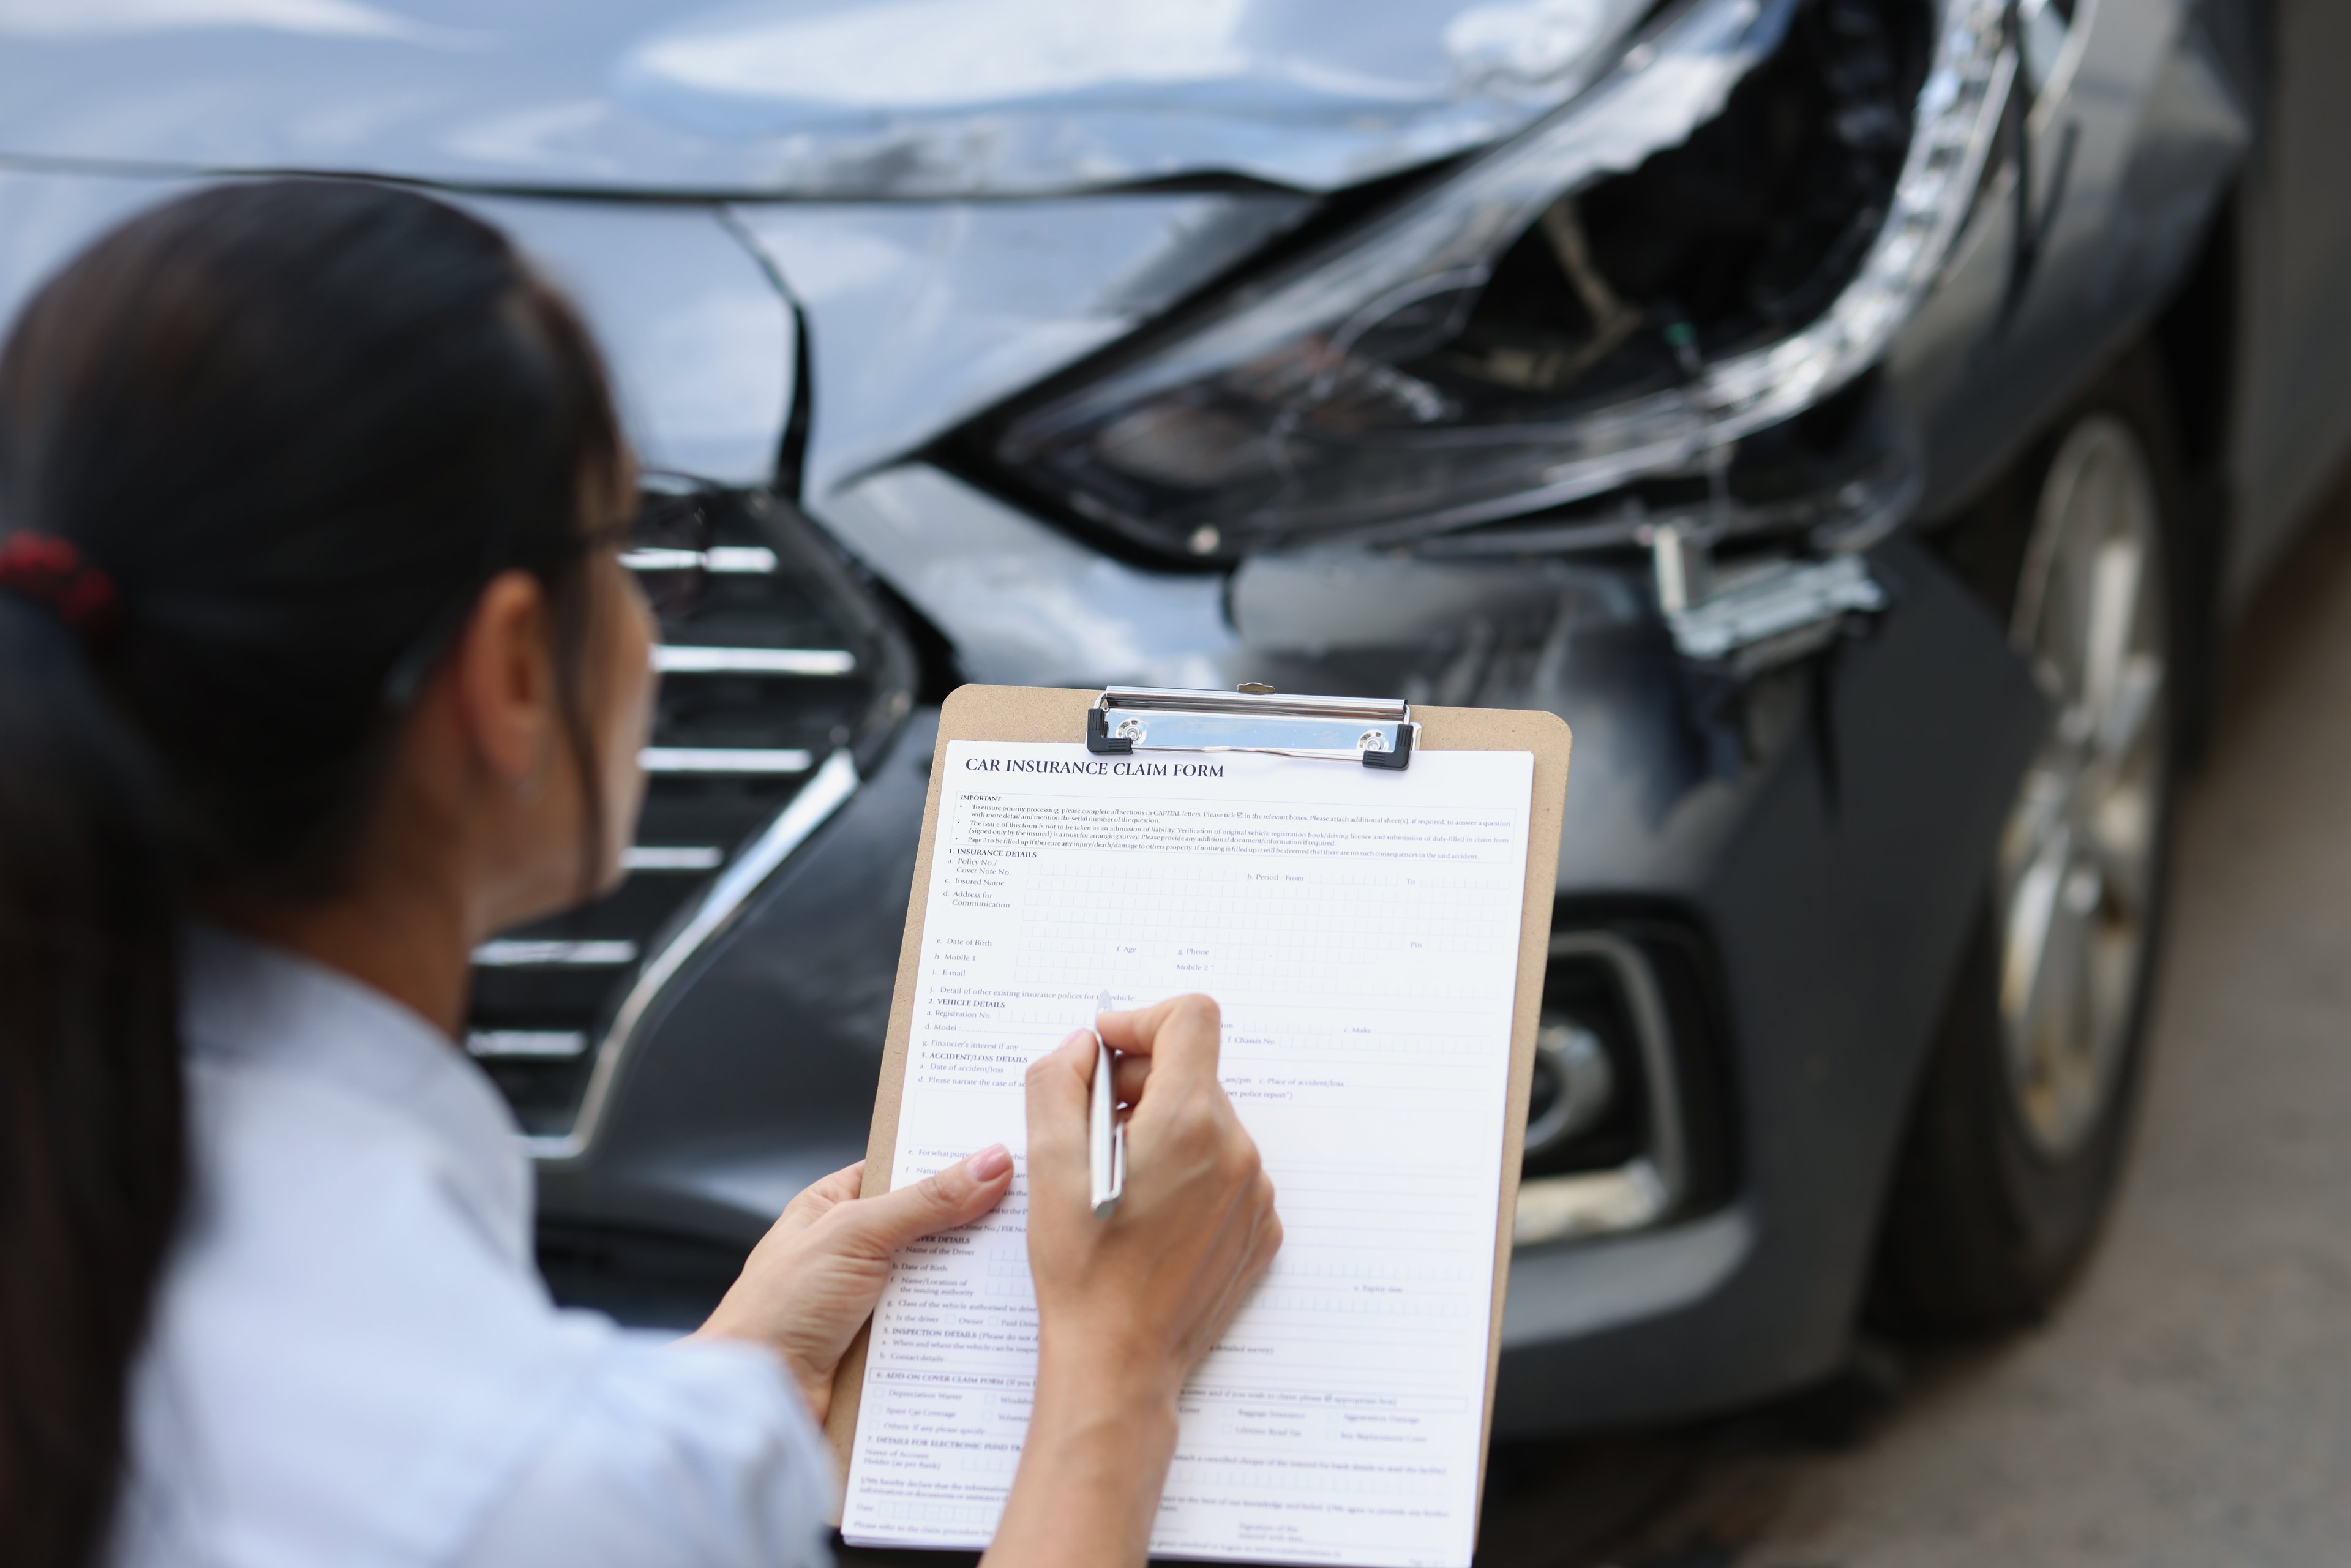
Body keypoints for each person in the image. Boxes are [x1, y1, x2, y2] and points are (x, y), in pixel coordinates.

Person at [0, 181, 1281, 1568]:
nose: (647, 622)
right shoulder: (553, 1479)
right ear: (506, 675)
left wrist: (739, 1375)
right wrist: (1118, 1368)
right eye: (631, 554)